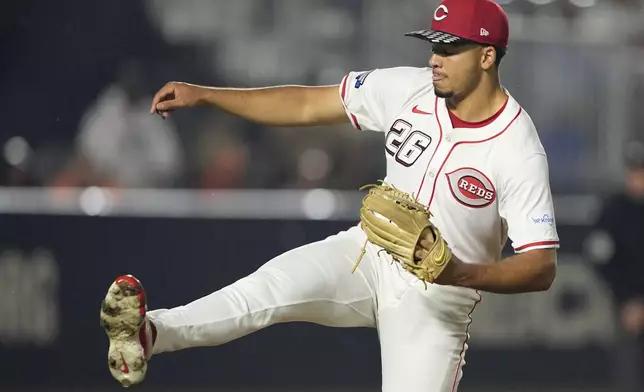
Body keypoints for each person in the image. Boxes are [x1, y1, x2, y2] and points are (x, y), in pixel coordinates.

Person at [100, 0, 560, 390]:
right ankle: (151, 333)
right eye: (434, 44)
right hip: (367, 252)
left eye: (451, 47)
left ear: (486, 56)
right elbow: (306, 103)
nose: (436, 57)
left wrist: (459, 273)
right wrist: (207, 95)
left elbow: (540, 266)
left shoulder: (517, 147)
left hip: (437, 299)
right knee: (265, 290)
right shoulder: (408, 89)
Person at [585, 140, 644, 392]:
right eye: (634, 171)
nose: (638, 178)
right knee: (628, 367)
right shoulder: (614, 211)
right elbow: (600, 258)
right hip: (625, 306)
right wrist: (627, 300)